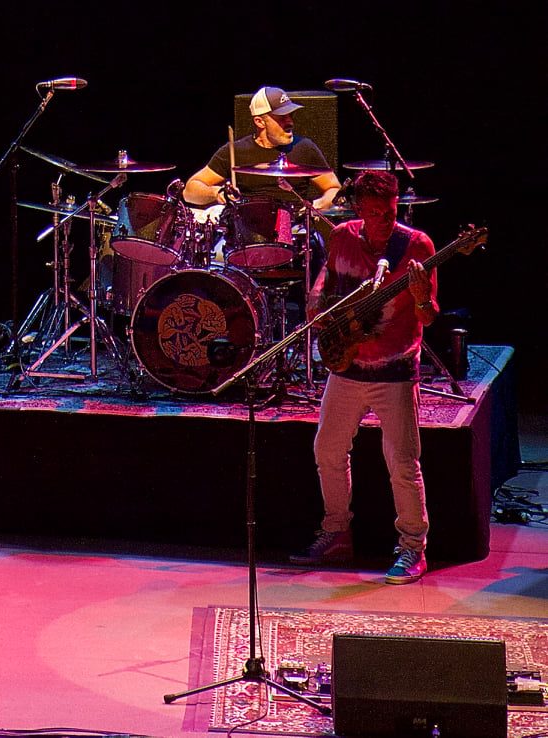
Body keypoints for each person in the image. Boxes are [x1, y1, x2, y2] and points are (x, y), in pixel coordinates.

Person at [289, 171, 437, 584]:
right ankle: (337, 532)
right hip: (348, 364)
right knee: (327, 450)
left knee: (402, 463)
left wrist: (422, 297)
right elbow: (327, 281)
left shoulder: (416, 246)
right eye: (374, 214)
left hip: (395, 369)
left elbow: (428, 316)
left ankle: (413, 548)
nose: (384, 221)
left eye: (389, 213)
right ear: (358, 210)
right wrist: (317, 295)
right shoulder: (342, 236)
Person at [184, 86, 343, 211]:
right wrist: (216, 193)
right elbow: (190, 191)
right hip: (248, 234)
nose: (290, 122)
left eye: (290, 115)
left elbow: (334, 188)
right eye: (282, 117)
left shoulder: (304, 148)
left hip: (295, 232)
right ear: (260, 122)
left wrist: (319, 204)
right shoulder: (235, 151)